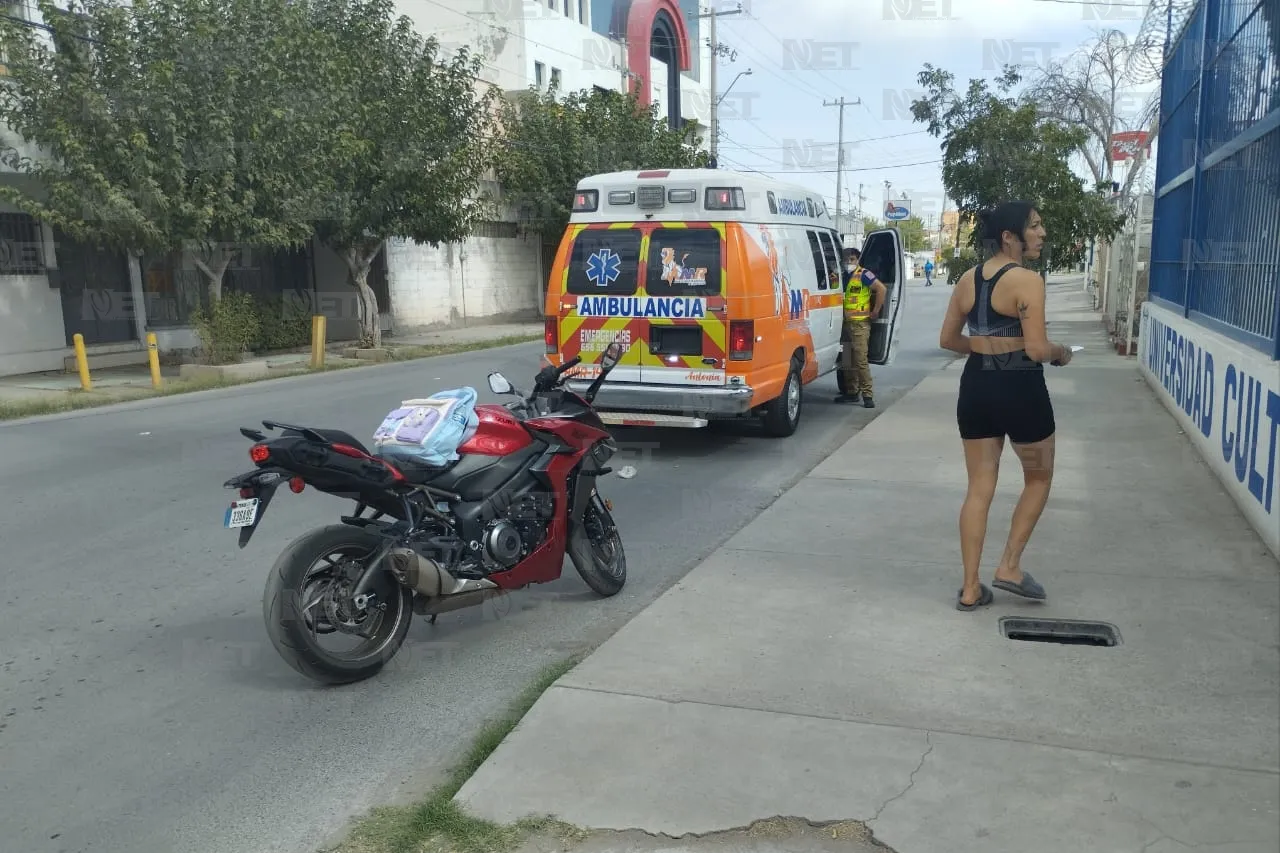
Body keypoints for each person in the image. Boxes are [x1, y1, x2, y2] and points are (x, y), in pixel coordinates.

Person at [936, 201, 1074, 611]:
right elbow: (1036, 348)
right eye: (1035, 226)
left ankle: (970, 588)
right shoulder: (1027, 281)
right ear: (1009, 236)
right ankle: (1009, 567)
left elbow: (948, 340)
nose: (1042, 233)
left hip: (977, 385)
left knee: (979, 487)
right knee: (1039, 477)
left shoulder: (967, 280)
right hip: (1020, 387)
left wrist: (985, 348)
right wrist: (1062, 352)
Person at [835, 246, 886, 408]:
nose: (848, 262)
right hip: (844, 324)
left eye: (852, 259)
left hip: (860, 325)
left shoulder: (864, 274)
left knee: (860, 360)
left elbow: (881, 289)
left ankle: (867, 395)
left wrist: (876, 310)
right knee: (847, 359)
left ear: (857, 260)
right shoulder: (841, 276)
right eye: (846, 260)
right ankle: (851, 392)